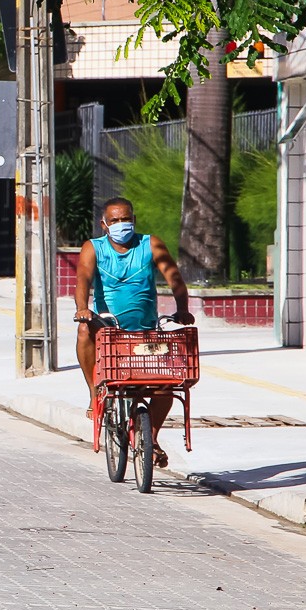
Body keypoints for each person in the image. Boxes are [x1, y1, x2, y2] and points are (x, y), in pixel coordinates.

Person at [73, 195, 192, 467]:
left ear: (134, 220)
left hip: (147, 332)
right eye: (114, 221)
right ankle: (94, 391)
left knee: (166, 385)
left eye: (126, 219)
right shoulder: (94, 248)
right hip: (109, 328)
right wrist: (82, 308)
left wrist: (182, 308)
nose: (121, 225)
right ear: (104, 225)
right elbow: (82, 277)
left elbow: (173, 276)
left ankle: (150, 438)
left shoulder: (149, 244)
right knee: (83, 331)